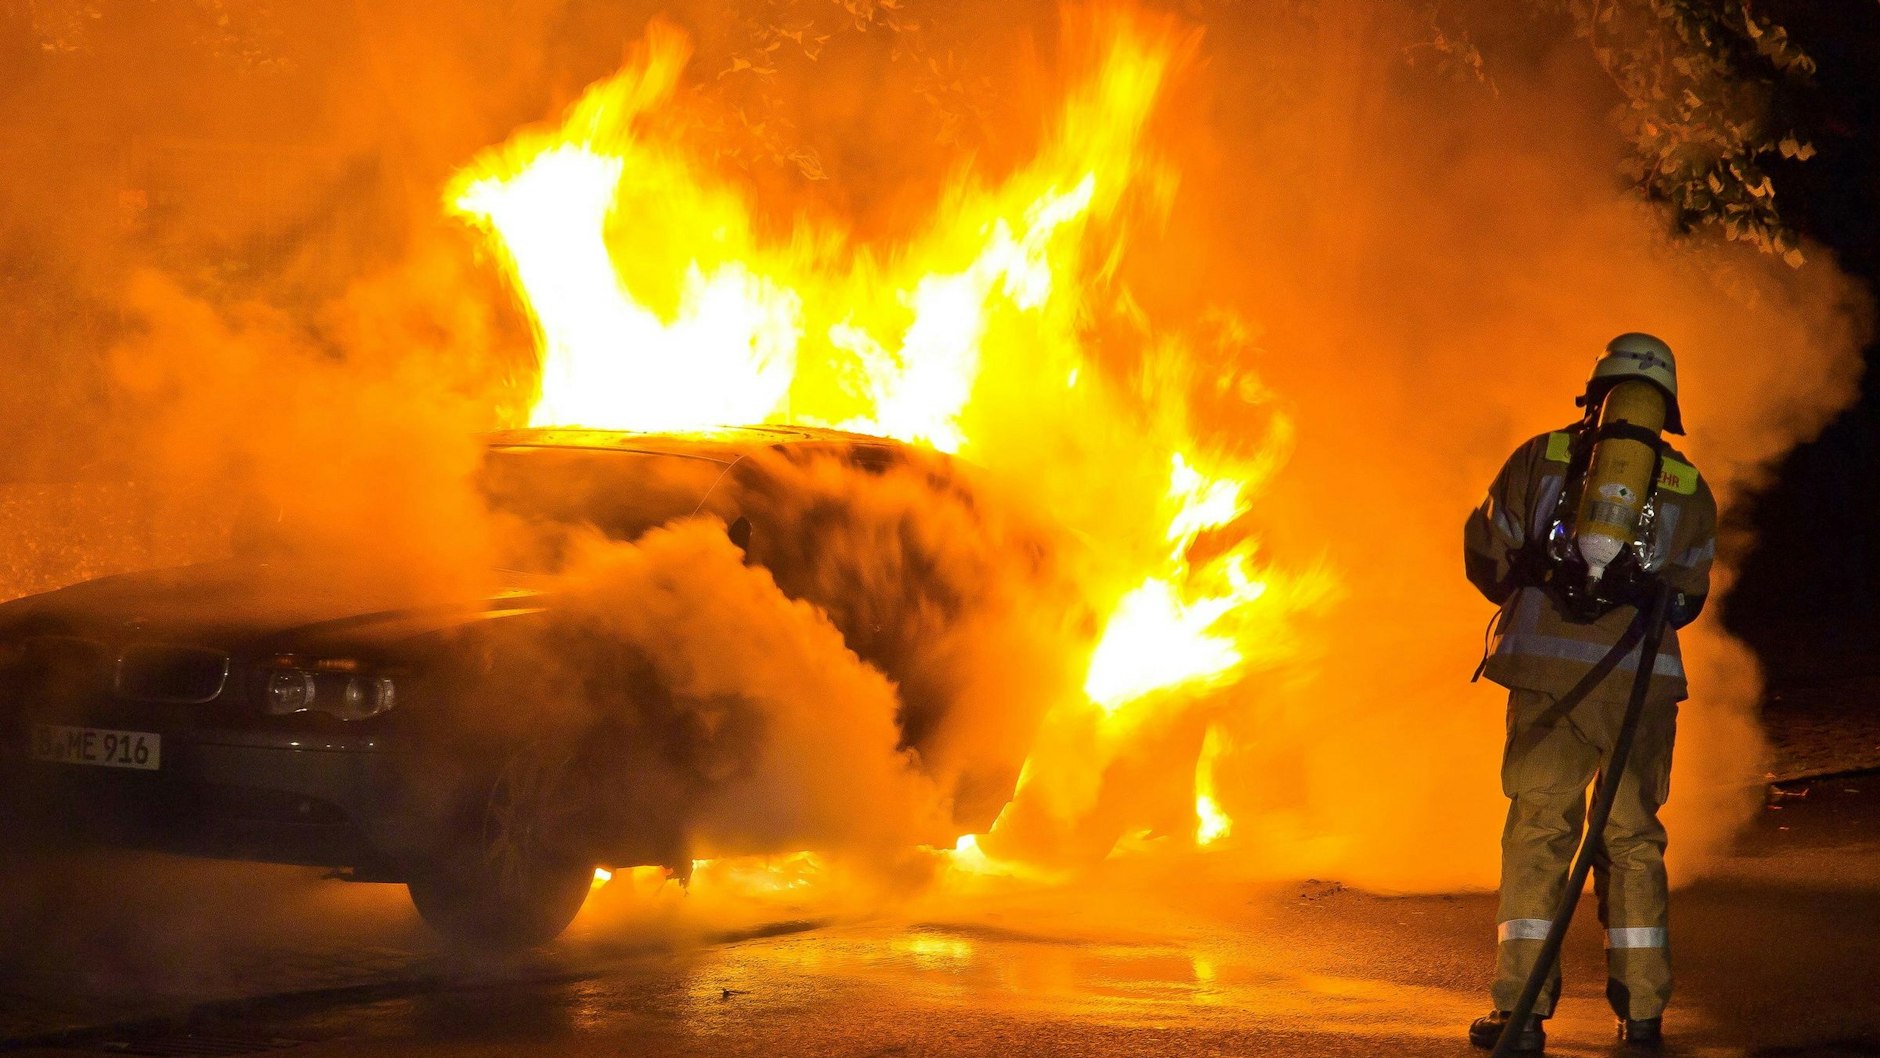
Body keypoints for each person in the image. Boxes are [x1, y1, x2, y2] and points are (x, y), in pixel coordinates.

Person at [1462, 333, 1718, 1052]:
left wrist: (1527, 587)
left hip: (1547, 683)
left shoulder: (1540, 458)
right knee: (1634, 839)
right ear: (1666, 409)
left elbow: (1488, 549)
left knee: (1540, 833)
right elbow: (1689, 594)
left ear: (1594, 392)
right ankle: (1641, 1014)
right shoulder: (1690, 486)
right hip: (1638, 685)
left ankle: (1522, 1013)